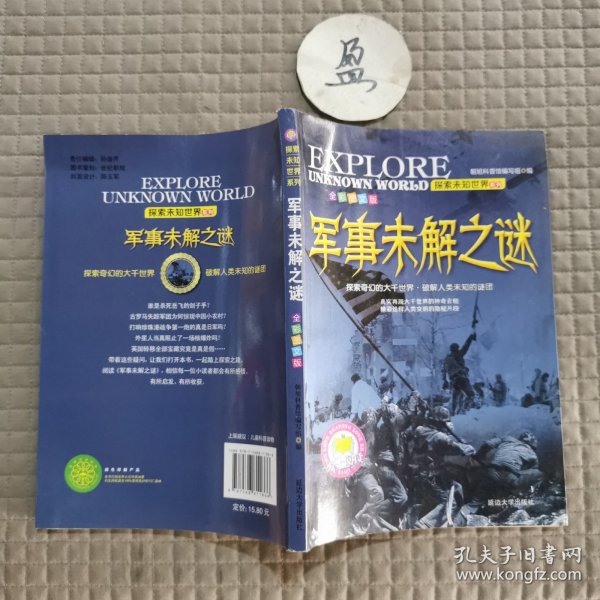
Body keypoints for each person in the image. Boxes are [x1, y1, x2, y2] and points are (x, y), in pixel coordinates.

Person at [473, 431, 544, 498]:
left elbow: (487, 444)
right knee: (539, 474)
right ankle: (528, 496)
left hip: (491, 472)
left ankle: (472, 505)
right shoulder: (531, 452)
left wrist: (479, 457)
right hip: (509, 478)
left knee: (478, 499)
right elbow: (534, 469)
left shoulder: (507, 438)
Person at [442, 333, 477, 415]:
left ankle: (454, 413)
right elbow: (466, 346)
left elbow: (443, 370)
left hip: (454, 381)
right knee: (471, 395)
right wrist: (471, 337)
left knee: (455, 398)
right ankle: (464, 409)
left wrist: (445, 381)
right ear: (456, 349)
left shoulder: (447, 359)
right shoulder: (458, 355)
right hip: (462, 379)